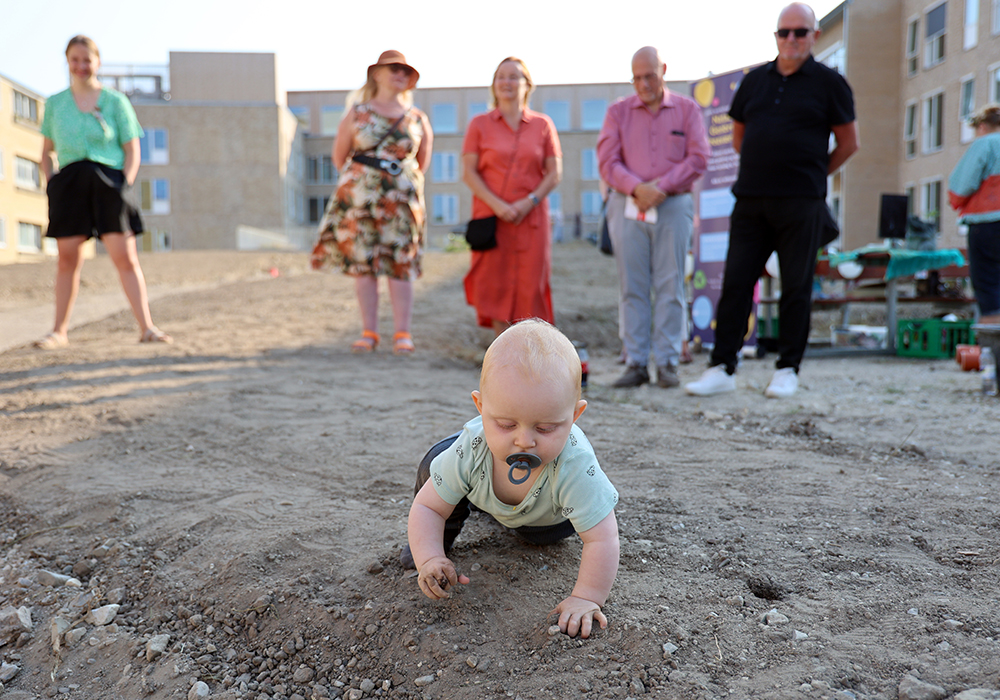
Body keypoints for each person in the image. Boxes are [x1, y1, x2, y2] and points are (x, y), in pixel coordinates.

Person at [401, 319, 619, 639]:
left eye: (545, 428)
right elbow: (428, 507)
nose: (524, 441)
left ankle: (506, 515)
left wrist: (586, 597)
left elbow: (602, 539)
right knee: (436, 463)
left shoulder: (575, 466)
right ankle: (439, 543)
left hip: (547, 516)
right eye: (505, 424)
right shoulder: (472, 449)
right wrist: (429, 556)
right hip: (478, 488)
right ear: (480, 407)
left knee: (538, 539)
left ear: (574, 416)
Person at [685, 2, 858, 399]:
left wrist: (815, 174)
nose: (792, 39)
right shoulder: (755, 81)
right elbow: (739, 138)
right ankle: (722, 366)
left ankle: (786, 369)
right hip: (750, 200)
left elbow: (850, 143)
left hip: (802, 203)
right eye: (785, 32)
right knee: (736, 281)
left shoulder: (831, 83)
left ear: (814, 36)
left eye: (801, 32)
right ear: (776, 36)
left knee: (796, 286)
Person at [36, 35, 171, 349]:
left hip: (109, 182)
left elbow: (132, 149)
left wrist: (124, 183)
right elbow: (45, 150)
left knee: (125, 258)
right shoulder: (55, 103)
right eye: (75, 59)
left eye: (87, 59)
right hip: (69, 184)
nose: (81, 66)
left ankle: (147, 327)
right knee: (67, 260)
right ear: (67, 61)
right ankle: (59, 331)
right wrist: (51, 182)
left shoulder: (115, 101)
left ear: (97, 62)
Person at [597, 47, 709, 388]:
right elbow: (607, 161)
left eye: (650, 76)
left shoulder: (688, 110)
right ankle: (635, 363)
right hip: (628, 205)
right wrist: (636, 188)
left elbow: (699, 157)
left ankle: (668, 362)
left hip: (673, 205)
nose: (643, 84)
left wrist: (662, 186)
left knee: (671, 284)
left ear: (663, 70)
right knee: (632, 286)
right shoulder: (617, 112)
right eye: (637, 78)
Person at [311, 50, 432, 355]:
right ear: (376, 73)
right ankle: (369, 332)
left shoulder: (417, 118)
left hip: (401, 203)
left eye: (406, 71)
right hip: (361, 199)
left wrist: (396, 185)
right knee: (363, 263)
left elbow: (421, 163)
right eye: (393, 68)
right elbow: (340, 157)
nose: (400, 74)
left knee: (400, 262)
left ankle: (402, 333)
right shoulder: (357, 112)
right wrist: (365, 184)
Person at [462, 58, 562, 338]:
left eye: (514, 77)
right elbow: (469, 173)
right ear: (494, 85)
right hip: (492, 219)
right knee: (494, 286)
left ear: (527, 84)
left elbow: (554, 173)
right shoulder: (479, 124)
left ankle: (530, 357)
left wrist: (528, 202)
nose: (507, 82)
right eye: (501, 77)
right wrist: (499, 206)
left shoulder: (543, 124)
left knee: (532, 287)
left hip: (531, 221)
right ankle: (502, 354)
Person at [948, 104, 1000, 325]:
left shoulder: (986, 143)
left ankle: (994, 352)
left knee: (990, 290)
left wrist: (957, 201)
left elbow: (960, 187)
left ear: (981, 127)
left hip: (988, 224)